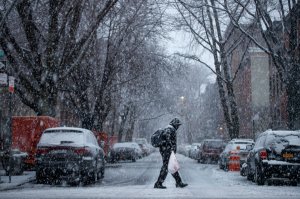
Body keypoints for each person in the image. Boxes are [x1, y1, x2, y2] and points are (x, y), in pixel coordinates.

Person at [154, 118, 188, 189]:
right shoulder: (170, 129)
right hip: (167, 151)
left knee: (172, 167)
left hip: (166, 151)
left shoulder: (169, 128)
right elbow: (168, 138)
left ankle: (178, 182)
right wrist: (171, 147)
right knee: (166, 167)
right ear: (175, 124)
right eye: (178, 125)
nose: (178, 127)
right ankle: (158, 183)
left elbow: (167, 139)